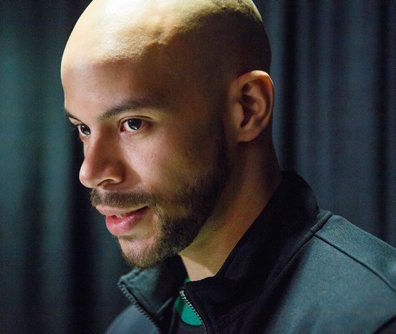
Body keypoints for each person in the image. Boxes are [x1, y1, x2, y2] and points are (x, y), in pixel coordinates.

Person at [60, 0, 396, 332]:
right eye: (83, 128)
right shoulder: (130, 329)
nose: (90, 173)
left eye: (133, 123)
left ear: (248, 108)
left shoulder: (374, 318)